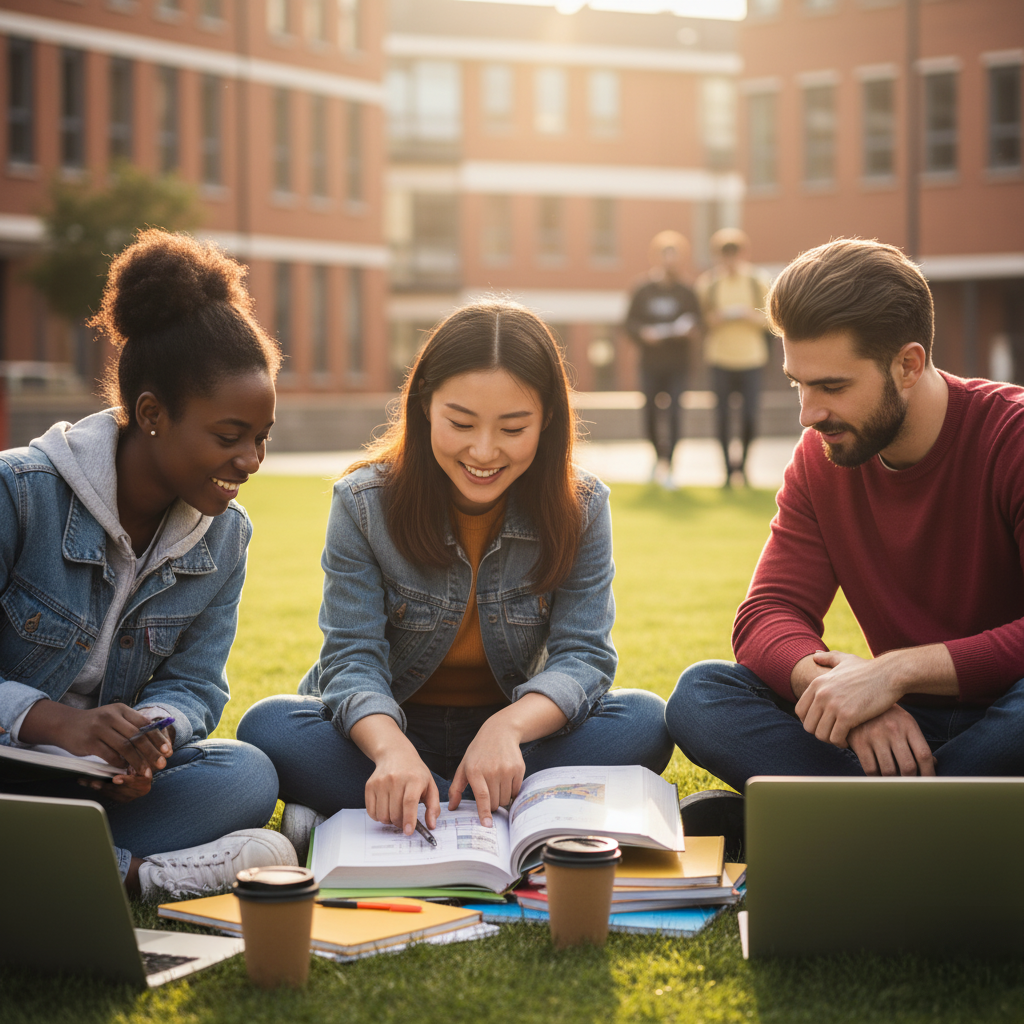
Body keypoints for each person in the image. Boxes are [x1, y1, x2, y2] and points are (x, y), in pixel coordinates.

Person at [238, 300, 673, 861]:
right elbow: (351, 659)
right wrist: (391, 749)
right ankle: (494, 808)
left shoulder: (582, 506)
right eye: (461, 423)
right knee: (268, 726)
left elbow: (584, 658)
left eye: (513, 428)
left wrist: (509, 729)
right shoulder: (363, 503)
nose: (484, 452)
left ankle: (387, 809)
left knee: (644, 721)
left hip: (516, 732)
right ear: (424, 407)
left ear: (547, 422)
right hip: (389, 727)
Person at [667, 238, 1024, 813]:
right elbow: (768, 614)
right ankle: (934, 819)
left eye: (832, 387)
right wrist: (840, 693)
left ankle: (836, 817)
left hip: (1007, 713)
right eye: (797, 384)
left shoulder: (1012, 437)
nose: (810, 414)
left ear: (908, 365)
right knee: (703, 694)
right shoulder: (822, 457)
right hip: (904, 727)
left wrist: (894, 674)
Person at [0, 230, 295, 897]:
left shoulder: (225, 539)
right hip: (12, 763)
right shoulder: (18, 495)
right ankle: (132, 874)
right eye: (229, 437)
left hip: (98, 789)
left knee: (247, 773)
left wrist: (149, 740)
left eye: (261, 438)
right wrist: (58, 725)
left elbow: (196, 686)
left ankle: (64, 863)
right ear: (153, 414)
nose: (251, 461)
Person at [624, 231, 702, 489]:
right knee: (649, 414)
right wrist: (643, 334)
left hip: (678, 364)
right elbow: (628, 324)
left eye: (674, 257)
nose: (670, 262)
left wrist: (690, 330)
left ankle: (669, 465)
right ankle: (657, 459)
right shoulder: (643, 290)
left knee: (675, 415)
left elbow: (699, 322)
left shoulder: (687, 291)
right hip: (650, 364)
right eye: (665, 256)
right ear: (657, 258)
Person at [696, 228, 772, 488]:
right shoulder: (708, 284)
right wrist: (714, 320)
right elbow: (701, 320)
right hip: (719, 358)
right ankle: (728, 472)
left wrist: (748, 316)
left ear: (742, 253)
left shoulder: (756, 281)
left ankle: (745, 466)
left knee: (750, 416)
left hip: (751, 358)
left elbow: (771, 320)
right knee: (722, 418)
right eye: (724, 253)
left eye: (733, 252)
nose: (729, 258)